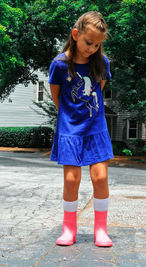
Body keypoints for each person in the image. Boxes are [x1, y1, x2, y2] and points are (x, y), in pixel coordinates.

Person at [49, 11, 113, 247]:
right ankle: (69, 229)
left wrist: (87, 114)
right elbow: (57, 96)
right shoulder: (59, 64)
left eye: (97, 44)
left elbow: (99, 89)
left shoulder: (101, 63)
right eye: (89, 42)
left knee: (101, 176)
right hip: (70, 129)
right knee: (71, 179)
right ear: (76, 35)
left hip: (95, 127)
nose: (92, 48)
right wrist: (70, 117)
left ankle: (101, 230)